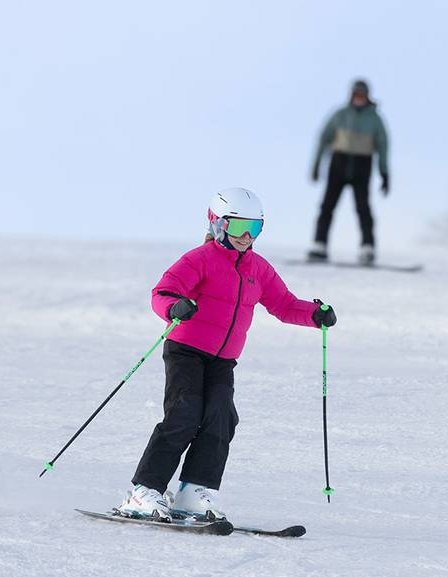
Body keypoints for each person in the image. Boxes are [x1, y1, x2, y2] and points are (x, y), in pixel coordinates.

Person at [116, 187, 337, 523]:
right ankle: (143, 491)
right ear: (217, 224)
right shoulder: (199, 259)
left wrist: (314, 314)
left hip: (223, 360)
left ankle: (194, 492)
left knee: (221, 418)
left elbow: (284, 304)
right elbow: (163, 291)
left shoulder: (258, 269)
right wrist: (174, 307)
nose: (246, 236)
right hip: (186, 351)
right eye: (238, 227)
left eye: (255, 228)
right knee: (184, 414)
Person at [310, 78, 390, 264]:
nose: (359, 98)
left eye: (362, 95)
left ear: (367, 96)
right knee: (327, 206)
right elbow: (323, 139)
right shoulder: (340, 115)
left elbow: (383, 146)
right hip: (339, 163)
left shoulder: (375, 119)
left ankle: (367, 247)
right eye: (356, 94)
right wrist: (316, 165)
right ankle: (319, 244)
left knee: (363, 208)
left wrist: (384, 173)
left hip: (362, 165)